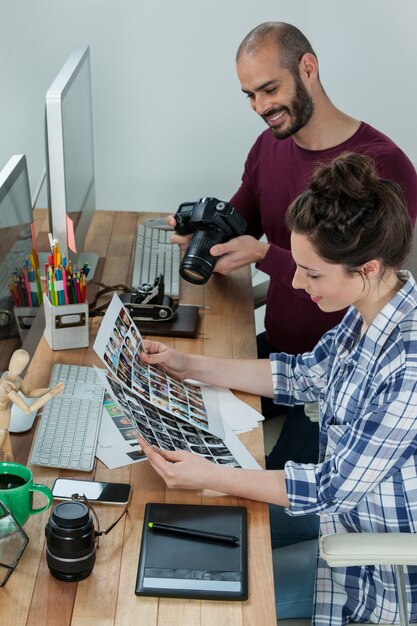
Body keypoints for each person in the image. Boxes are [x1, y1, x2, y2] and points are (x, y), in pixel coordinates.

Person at [140, 153, 417, 623]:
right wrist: (188, 365)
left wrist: (208, 473)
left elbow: (327, 487)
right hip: (345, 511)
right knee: (194, 524)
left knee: (212, 587)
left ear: (367, 268)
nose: (293, 280)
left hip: (374, 570)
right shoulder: (371, 310)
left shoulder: (408, 366)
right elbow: (301, 374)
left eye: (312, 273)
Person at [169, 22, 417, 469]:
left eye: (269, 89)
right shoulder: (269, 146)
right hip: (287, 354)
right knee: (183, 417)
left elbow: (383, 288)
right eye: (250, 95)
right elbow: (242, 220)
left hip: (342, 379)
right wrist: (204, 232)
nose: (261, 107)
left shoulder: (382, 166)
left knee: (256, 487)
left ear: (308, 68)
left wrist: (266, 254)